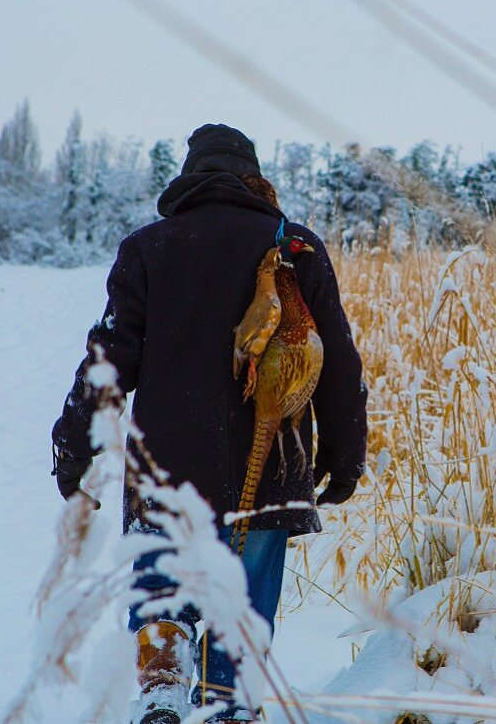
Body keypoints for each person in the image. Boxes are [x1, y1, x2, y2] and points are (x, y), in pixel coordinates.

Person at [50, 124, 368, 724]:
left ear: (189, 178)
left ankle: (163, 697)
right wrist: (344, 454)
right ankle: (227, 706)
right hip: (271, 467)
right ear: (253, 176)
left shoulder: (150, 247)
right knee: (241, 611)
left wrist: (72, 450)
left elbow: (108, 364)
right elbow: (338, 361)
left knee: (162, 595)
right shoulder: (295, 247)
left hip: (165, 470)